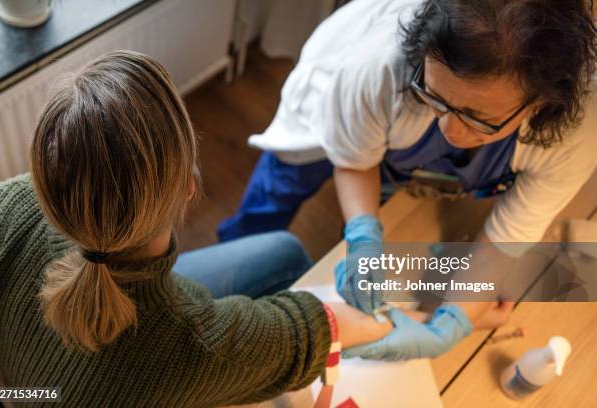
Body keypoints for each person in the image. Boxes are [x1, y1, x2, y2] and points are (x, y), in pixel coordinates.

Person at [0, 51, 509, 407]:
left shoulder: (5, 205)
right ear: (189, 189)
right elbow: (331, 325)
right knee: (287, 257)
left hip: (24, 392)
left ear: (51, 177)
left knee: (281, 251)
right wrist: (450, 324)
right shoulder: (195, 346)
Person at [217, 0, 597, 322]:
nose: (452, 131)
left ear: (543, 103)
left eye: (479, 118)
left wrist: (457, 318)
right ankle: (233, 256)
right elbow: (354, 161)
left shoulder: (579, 130)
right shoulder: (377, 69)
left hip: (394, 122)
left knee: (378, 198)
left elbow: (505, 239)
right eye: (435, 97)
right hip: (340, 102)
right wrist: (363, 234)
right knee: (281, 186)